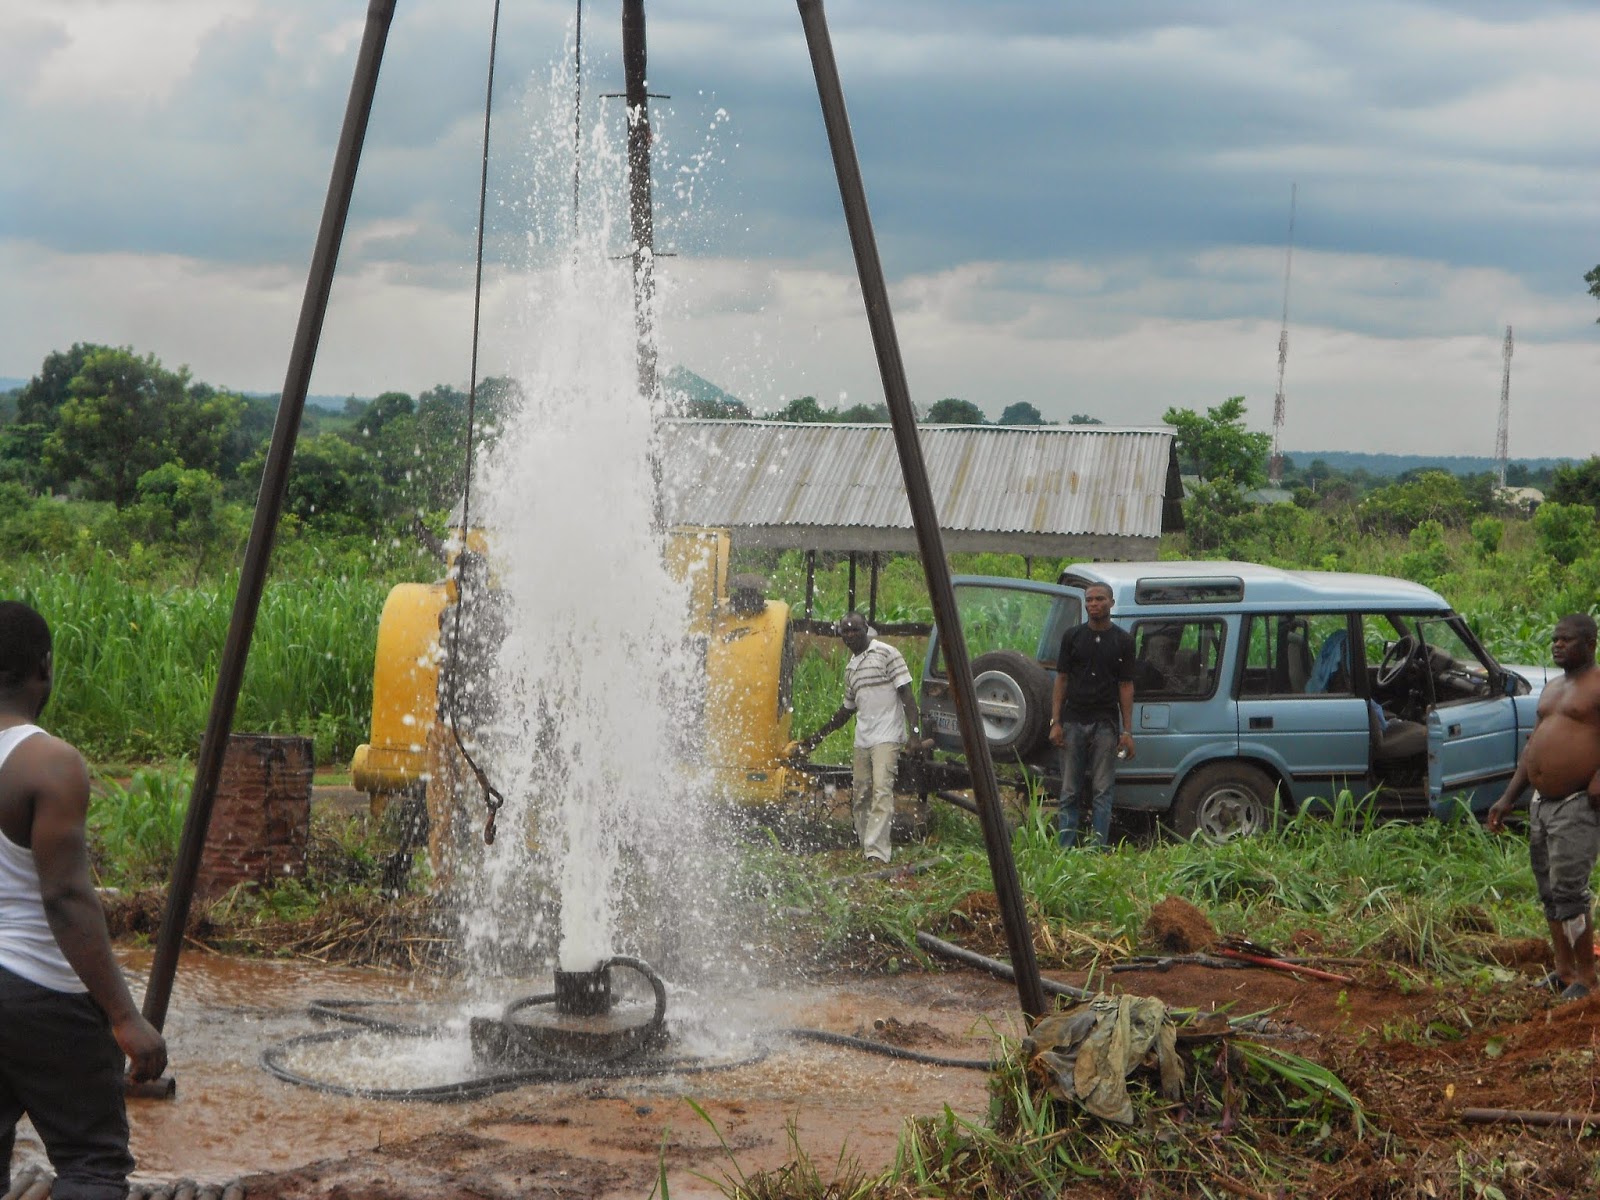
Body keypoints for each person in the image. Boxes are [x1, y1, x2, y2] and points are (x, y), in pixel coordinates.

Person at [0, 601, 167, 1200]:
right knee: (91, 1162)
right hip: (42, 992)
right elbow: (66, 895)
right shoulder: (48, 763)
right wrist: (124, 1017)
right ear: (43, 666)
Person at [1487, 613, 1600, 1002]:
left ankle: (1588, 976)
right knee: (1550, 892)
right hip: (1541, 805)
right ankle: (1564, 970)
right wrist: (1507, 797)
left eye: (1566, 640)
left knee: (1570, 890)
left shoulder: (1599, 685)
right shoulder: (1552, 689)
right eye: (1554, 639)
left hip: (1577, 803)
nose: (1556, 645)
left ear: (1590, 644)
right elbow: (1532, 747)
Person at [788, 612, 922, 864]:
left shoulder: (887, 653)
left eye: (855, 630)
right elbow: (846, 711)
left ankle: (877, 852)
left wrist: (914, 734)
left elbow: (907, 695)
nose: (850, 635)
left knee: (882, 790)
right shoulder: (851, 669)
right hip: (863, 739)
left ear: (866, 629)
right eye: (845, 632)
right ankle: (865, 843)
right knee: (861, 794)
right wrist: (817, 737)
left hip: (888, 736)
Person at [1049, 582, 1135, 849]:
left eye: (1099, 599)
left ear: (1111, 603)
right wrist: (1056, 722)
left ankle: (1098, 851)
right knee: (1069, 791)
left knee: (1102, 791)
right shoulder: (1072, 637)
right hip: (1073, 720)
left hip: (1106, 724)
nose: (1093, 604)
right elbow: (1061, 679)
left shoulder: (1123, 641)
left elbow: (1125, 686)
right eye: (1089, 600)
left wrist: (1128, 732)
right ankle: (1065, 851)